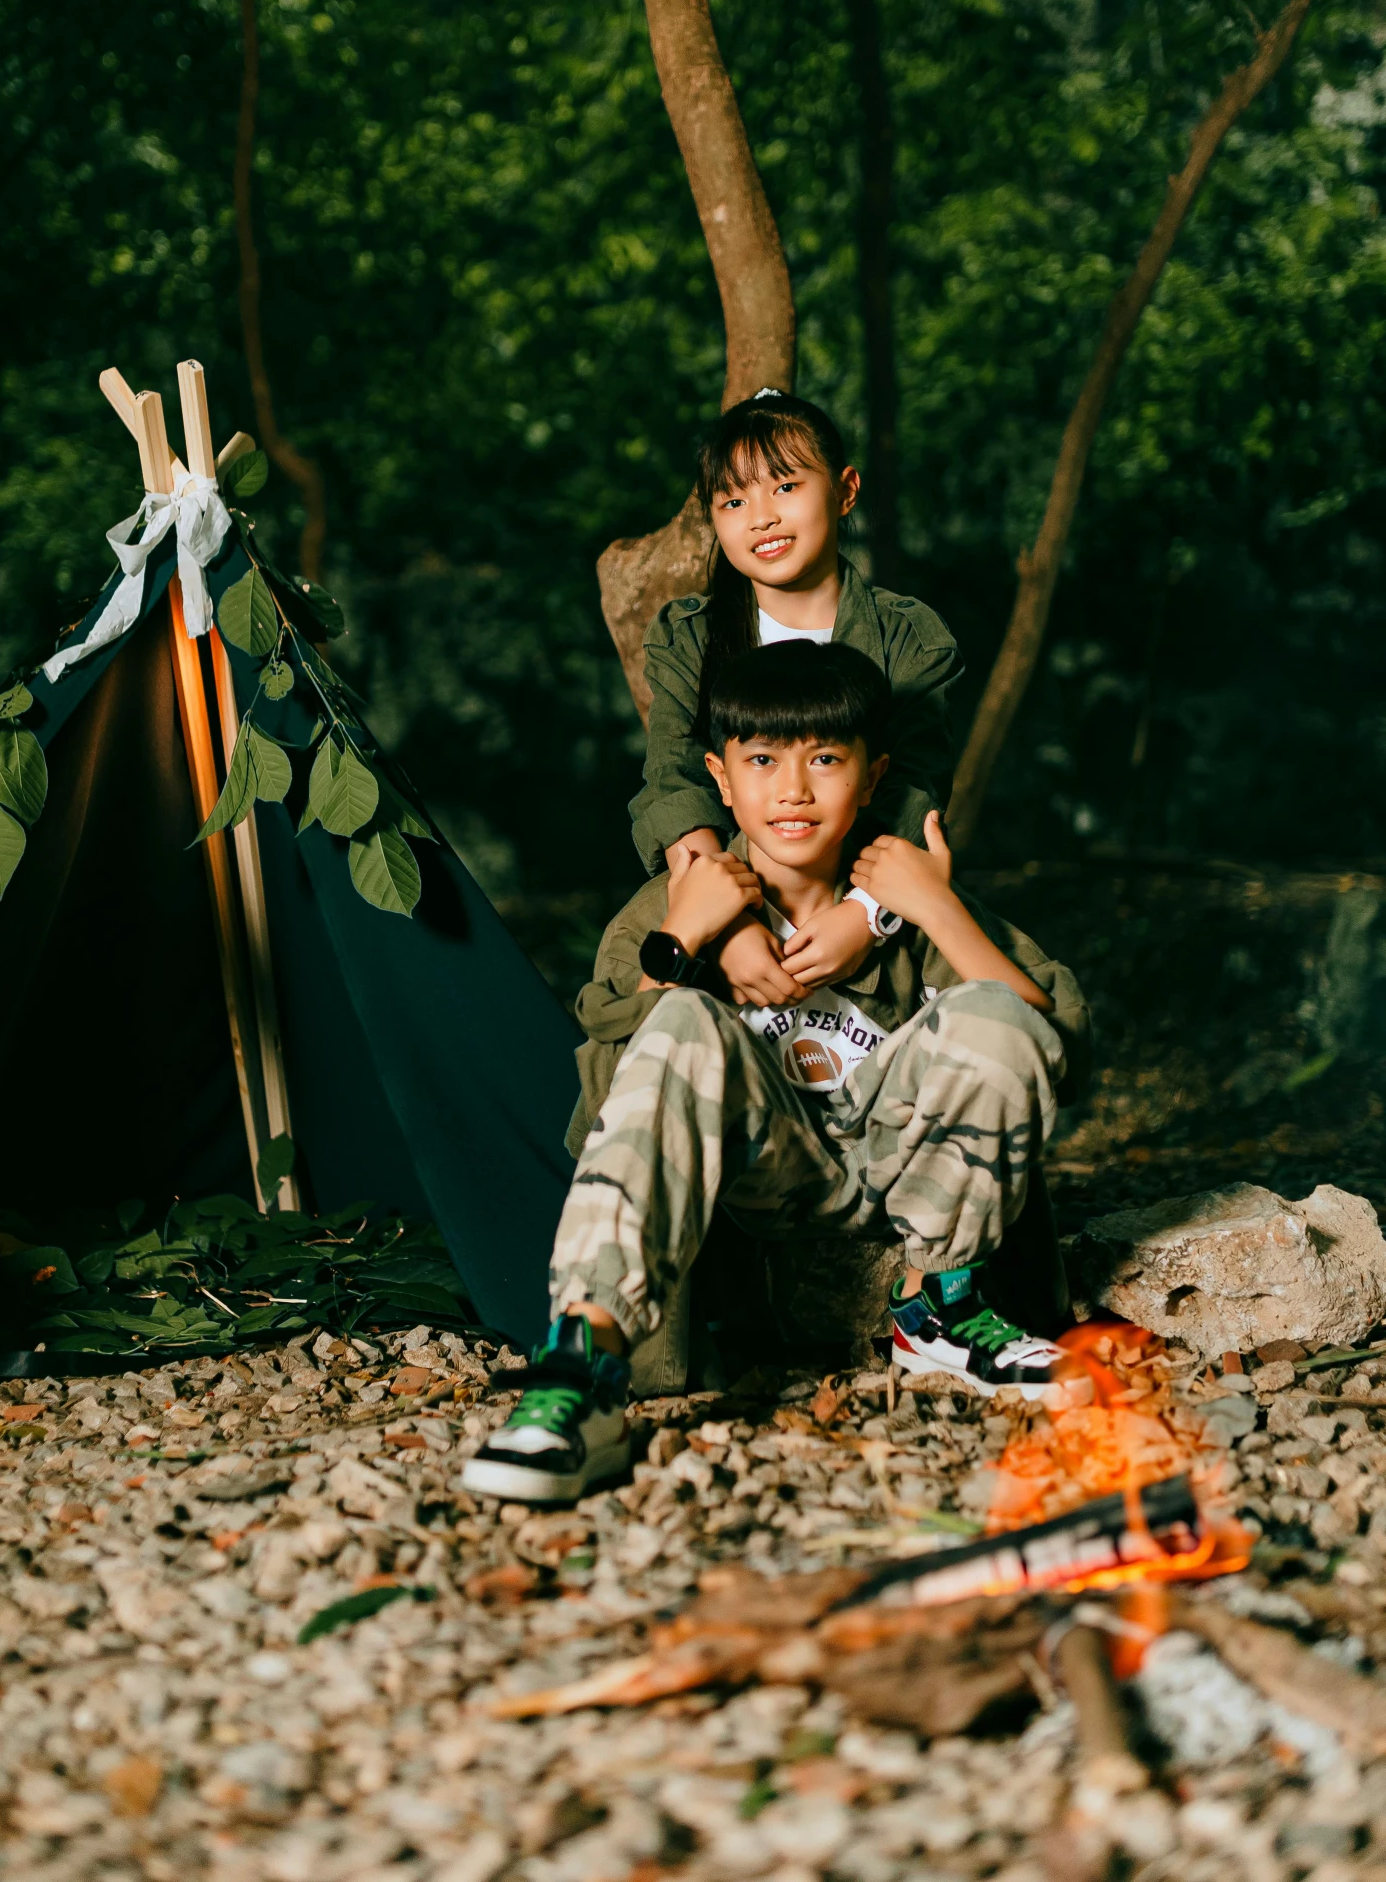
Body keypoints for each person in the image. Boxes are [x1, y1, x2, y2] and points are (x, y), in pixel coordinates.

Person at [463, 641, 1089, 1506]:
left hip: (904, 1163)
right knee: (679, 1015)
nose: (792, 790)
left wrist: (935, 907)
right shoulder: (672, 906)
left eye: (824, 760)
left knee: (995, 1012)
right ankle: (585, 1368)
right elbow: (613, 1072)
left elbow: (1050, 1037)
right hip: (764, 1172)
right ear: (721, 779)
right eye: (762, 761)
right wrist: (684, 938)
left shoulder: (899, 892)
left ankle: (936, 1310)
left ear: (870, 779)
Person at [629, 388, 962, 1016]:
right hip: (726, 909)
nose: (761, 517)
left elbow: (913, 789)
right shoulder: (689, 637)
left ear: (845, 490)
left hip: (869, 899)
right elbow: (674, 785)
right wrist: (724, 924)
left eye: (784, 487)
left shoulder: (910, 640)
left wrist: (866, 917)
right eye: (734, 500)